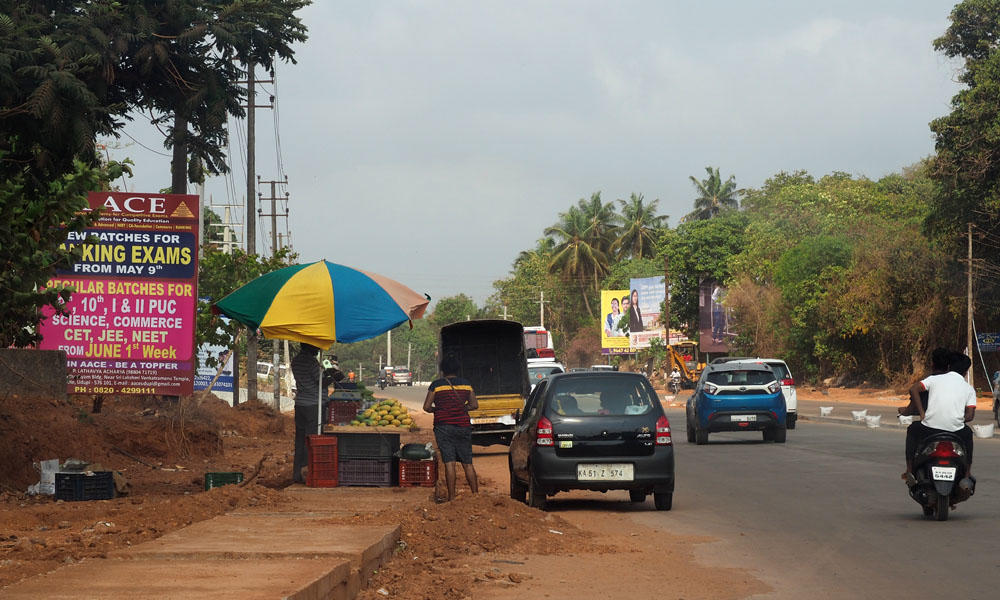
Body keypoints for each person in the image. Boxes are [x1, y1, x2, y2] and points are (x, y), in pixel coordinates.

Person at [899, 348, 976, 486]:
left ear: (949, 366)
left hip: (929, 429)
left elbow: (913, 389)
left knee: (912, 429)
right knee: (968, 434)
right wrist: (956, 418)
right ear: (966, 372)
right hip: (956, 431)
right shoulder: (969, 388)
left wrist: (922, 413)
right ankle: (967, 473)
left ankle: (909, 470)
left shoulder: (934, 380)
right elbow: (970, 416)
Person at [423, 355, 479, 502]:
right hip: (463, 426)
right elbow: (474, 405)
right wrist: (461, 408)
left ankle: (452, 497)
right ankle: (476, 497)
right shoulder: (466, 384)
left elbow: (426, 407)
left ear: (442, 370)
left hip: (443, 428)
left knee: (449, 463)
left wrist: (438, 410)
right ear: (457, 369)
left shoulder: (436, 385)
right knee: (468, 463)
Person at [290, 344, 342, 484]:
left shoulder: (295, 361)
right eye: (315, 347)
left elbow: (309, 380)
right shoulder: (311, 362)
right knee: (312, 439)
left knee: (300, 440)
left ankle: (297, 474)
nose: (318, 350)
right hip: (313, 405)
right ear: (309, 347)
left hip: (300, 404)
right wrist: (334, 377)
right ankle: (309, 473)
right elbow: (320, 382)